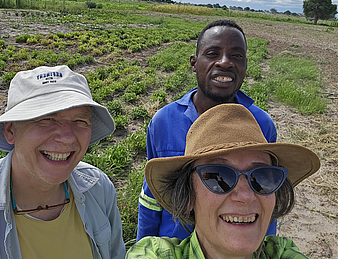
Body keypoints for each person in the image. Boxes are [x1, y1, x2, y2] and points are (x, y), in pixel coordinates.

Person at [137, 19, 277, 241]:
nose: (225, 62)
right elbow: (152, 195)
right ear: (194, 63)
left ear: (245, 65)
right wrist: (143, 245)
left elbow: (265, 194)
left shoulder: (261, 124)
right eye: (212, 53)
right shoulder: (163, 121)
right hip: (175, 247)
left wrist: (261, 247)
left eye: (236, 56)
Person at [127, 103, 320, 259]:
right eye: (219, 177)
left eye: (261, 177)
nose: (245, 196)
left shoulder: (282, 252)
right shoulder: (156, 254)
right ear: (188, 196)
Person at [0, 65, 125, 259]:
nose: (68, 138)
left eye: (80, 121)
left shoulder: (98, 188)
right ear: (11, 130)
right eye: (47, 119)